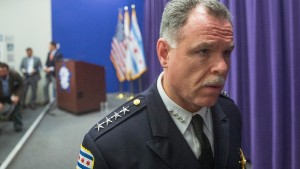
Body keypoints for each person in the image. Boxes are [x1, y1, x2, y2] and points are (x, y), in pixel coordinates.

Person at [77, 0, 243, 168]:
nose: (222, 67)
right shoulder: (109, 144)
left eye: (227, 52)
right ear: (165, 54)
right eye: (203, 51)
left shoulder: (229, 112)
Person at [0, 62, 23, 132]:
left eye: (4, 71)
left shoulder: (15, 75)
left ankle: (18, 125)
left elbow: (21, 85)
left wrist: (17, 96)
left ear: (8, 71)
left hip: (11, 95)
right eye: (0, 71)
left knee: (17, 106)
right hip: (1, 96)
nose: (2, 73)